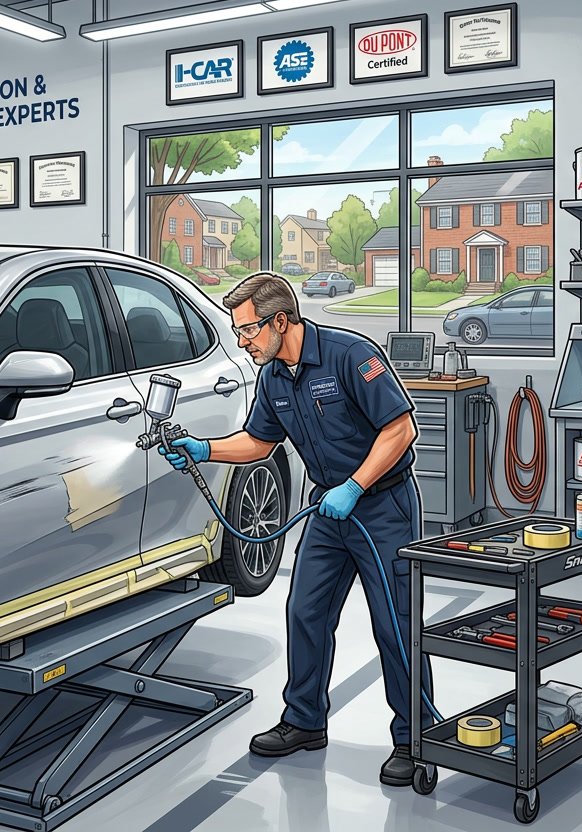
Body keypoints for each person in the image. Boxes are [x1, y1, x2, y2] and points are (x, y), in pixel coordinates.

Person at [160, 273, 432, 786]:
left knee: (394, 625)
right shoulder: (273, 378)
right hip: (327, 512)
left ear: (279, 321)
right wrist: (204, 448)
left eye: (247, 332)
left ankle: (415, 739)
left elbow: (401, 430)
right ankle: (304, 721)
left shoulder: (351, 355)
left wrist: (354, 485)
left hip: (381, 507)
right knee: (305, 611)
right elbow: (259, 443)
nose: (242, 343)